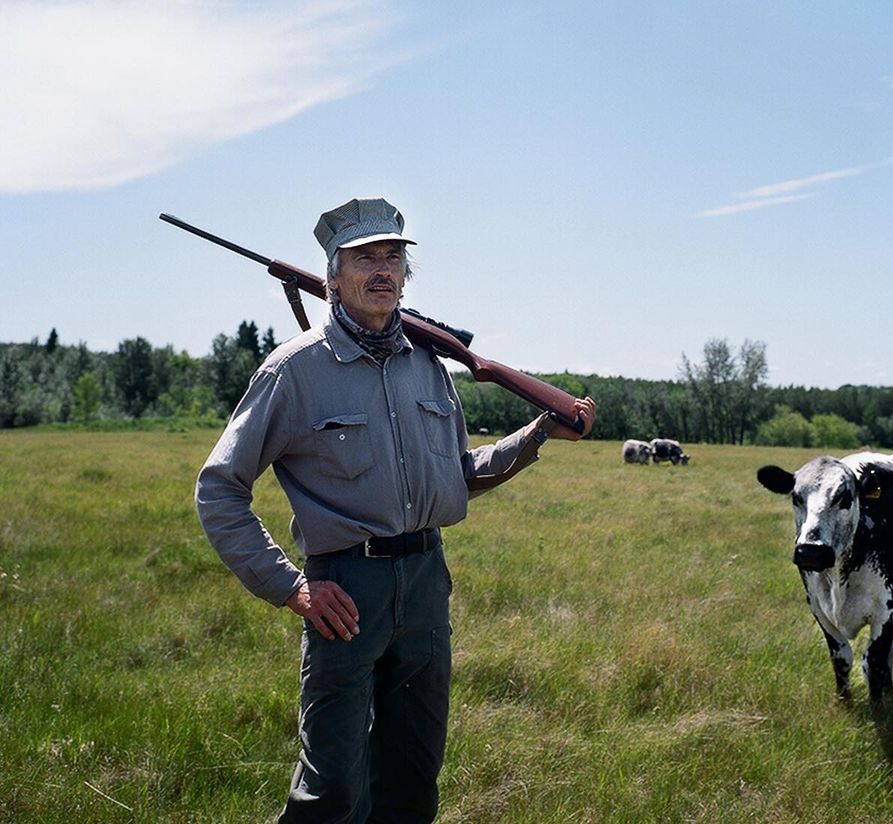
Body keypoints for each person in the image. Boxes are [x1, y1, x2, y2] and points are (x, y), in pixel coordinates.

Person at [195, 196, 595, 823]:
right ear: (332, 274)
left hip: (426, 586)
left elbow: (455, 475)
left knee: (411, 779)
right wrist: (291, 588)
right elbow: (219, 488)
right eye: (364, 257)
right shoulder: (294, 370)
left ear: (407, 274)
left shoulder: (429, 368)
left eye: (394, 256)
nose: (382, 269)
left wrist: (539, 433)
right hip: (345, 594)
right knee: (333, 790)